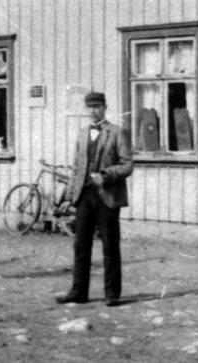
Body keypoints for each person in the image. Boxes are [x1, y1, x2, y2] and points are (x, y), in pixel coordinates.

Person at [57, 92, 133, 307]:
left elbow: (127, 165)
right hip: (84, 196)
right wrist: (68, 197)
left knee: (110, 246)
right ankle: (79, 291)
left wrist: (106, 175)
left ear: (105, 107)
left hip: (107, 197)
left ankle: (112, 294)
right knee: (81, 246)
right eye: (90, 107)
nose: (93, 111)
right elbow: (76, 168)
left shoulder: (117, 132)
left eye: (97, 106)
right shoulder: (82, 134)